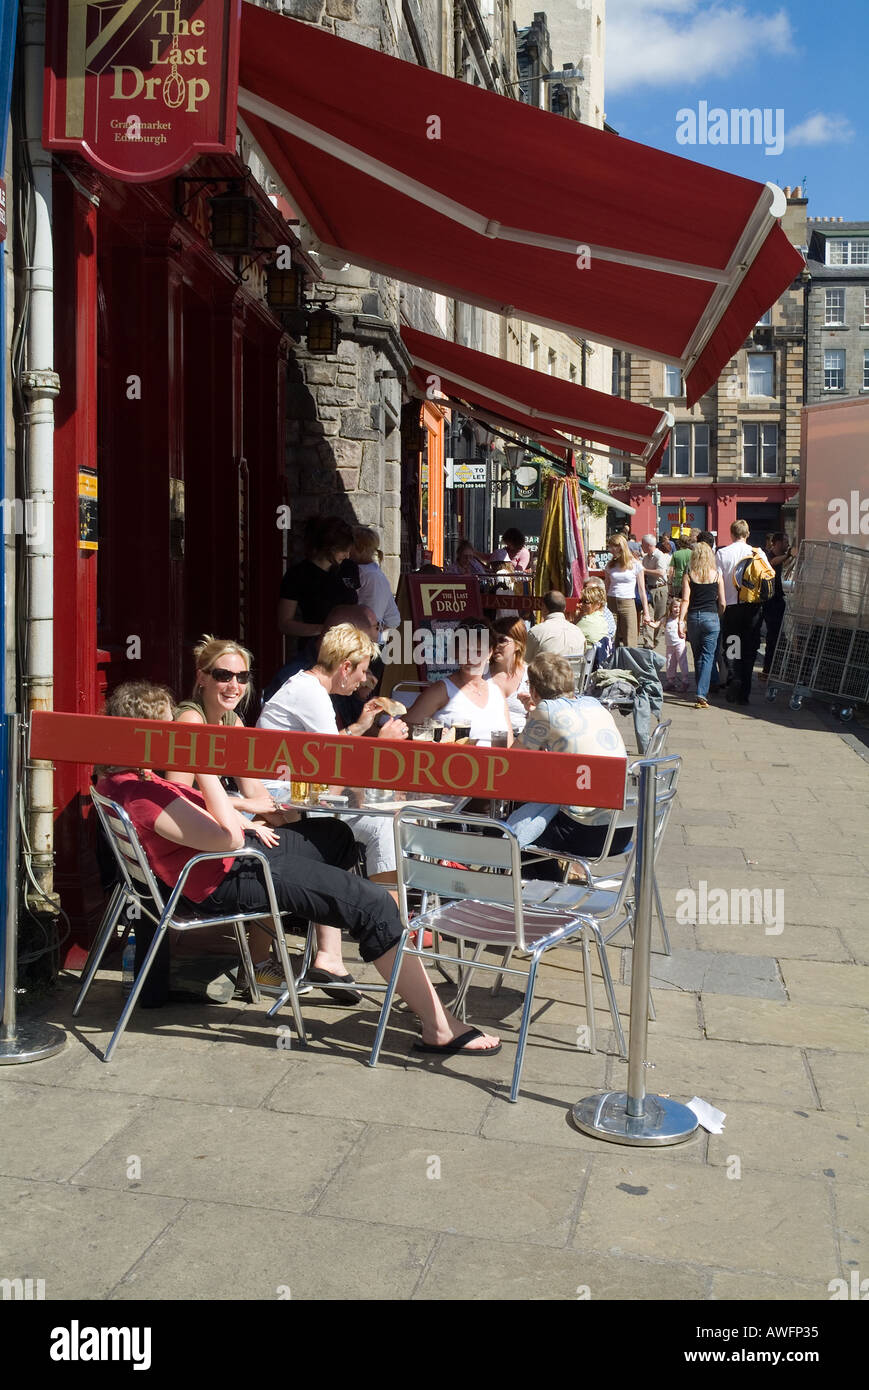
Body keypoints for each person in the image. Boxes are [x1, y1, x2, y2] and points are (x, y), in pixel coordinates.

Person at [97, 682, 500, 1056]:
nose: (175, 738)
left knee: (336, 835)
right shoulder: (143, 795)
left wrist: (244, 819)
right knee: (374, 905)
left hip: (235, 858)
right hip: (228, 875)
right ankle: (439, 1027)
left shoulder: (125, 781)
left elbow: (202, 821)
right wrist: (203, 767)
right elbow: (226, 841)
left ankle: (325, 925)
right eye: (169, 730)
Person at [167, 635, 359, 996]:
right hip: (195, 848)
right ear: (202, 677)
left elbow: (255, 790)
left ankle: (312, 958)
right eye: (223, 675)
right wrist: (242, 811)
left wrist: (279, 813)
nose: (234, 685)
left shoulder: (232, 722)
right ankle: (262, 967)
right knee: (302, 856)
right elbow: (177, 797)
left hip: (221, 834)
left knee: (322, 836)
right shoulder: (191, 720)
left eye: (242, 677)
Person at [258, 624, 408, 885]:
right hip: (286, 802)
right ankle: (389, 917)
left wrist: (359, 727)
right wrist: (382, 744)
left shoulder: (305, 685)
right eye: (362, 671)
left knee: (376, 812)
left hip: (292, 795)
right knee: (384, 826)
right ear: (345, 667)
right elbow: (336, 770)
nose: (364, 679)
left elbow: (330, 754)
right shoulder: (313, 694)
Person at [506, 654, 631, 875]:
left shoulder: (546, 711)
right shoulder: (594, 704)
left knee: (519, 835)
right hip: (621, 830)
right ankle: (557, 887)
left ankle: (545, 900)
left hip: (587, 834)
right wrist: (535, 711)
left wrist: (535, 712)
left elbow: (514, 761)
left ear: (534, 689)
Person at [402, 619, 513, 745]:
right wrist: (433, 733)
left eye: (477, 651)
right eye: (465, 651)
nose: (471, 658)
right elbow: (404, 727)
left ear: (490, 653)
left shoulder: (497, 692)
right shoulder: (441, 690)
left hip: (496, 763)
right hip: (454, 762)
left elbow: (509, 743)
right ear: (455, 652)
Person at [277, 515, 357, 654]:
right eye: (343, 550)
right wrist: (324, 629)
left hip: (350, 647)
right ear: (329, 547)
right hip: (316, 650)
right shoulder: (297, 575)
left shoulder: (349, 568)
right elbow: (285, 623)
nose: (347, 555)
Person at [679, 541, 726, 709]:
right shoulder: (717, 575)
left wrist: (680, 621)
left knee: (698, 656)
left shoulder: (689, 575)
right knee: (708, 656)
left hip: (693, 618)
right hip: (711, 617)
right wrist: (718, 616)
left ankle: (701, 690)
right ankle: (701, 693)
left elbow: (685, 600)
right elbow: (722, 602)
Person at [715, 519, 757, 703]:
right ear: (748, 534)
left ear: (731, 534)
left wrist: (721, 603)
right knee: (749, 649)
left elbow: (719, 580)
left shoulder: (722, 553)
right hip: (753, 607)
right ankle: (745, 691)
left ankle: (734, 678)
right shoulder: (758, 553)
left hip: (731, 606)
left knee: (733, 646)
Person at [350, 527, 400, 636]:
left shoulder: (361, 573)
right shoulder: (378, 574)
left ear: (360, 549)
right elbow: (393, 619)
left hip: (358, 638)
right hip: (373, 639)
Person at [604, 534, 652, 648]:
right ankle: (611, 663)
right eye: (609, 547)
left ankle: (629, 664)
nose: (610, 550)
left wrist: (646, 613)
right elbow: (606, 586)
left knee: (630, 638)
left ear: (620, 547)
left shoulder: (635, 564)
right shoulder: (610, 565)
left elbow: (641, 590)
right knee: (611, 637)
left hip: (628, 602)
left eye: (612, 547)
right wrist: (603, 606)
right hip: (611, 601)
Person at [488, 616, 530, 735]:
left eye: (501, 640)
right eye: (492, 640)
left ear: (518, 644)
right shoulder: (480, 675)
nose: (495, 645)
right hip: (487, 742)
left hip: (521, 742)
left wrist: (534, 709)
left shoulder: (531, 676)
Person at [760, 532, 792, 681]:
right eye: (785, 542)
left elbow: (782, 565)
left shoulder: (780, 557)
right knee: (773, 638)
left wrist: (791, 557)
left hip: (778, 600)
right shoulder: (767, 556)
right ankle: (767, 670)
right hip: (770, 602)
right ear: (777, 543)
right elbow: (772, 563)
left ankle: (777, 668)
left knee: (780, 637)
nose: (787, 544)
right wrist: (788, 555)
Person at [525, 590, 586, 661]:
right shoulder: (579, 633)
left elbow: (526, 662)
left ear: (544, 608)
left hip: (546, 671)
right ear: (565, 609)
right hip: (572, 671)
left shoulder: (536, 632)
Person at [640, 533, 669, 648]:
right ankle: (648, 642)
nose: (641, 546)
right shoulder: (646, 557)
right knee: (648, 614)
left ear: (648, 545)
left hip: (660, 589)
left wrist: (644, 570)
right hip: (649, 589)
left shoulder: (659, 556)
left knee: (659, 616)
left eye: (642, 544)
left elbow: (661, 572)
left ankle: (655, 641)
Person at [663, 599, 690, 694]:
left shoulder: (682, 620)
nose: (677, 609)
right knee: (670, 663)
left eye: (679, 607)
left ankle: (685, 681)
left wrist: (685, 632)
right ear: (670, 607)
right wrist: (650, 623)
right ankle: (670, 681)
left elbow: (686, 629)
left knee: (682, 662)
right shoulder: (667, 618)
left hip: (679, 644)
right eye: (675, 606)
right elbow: (657, 624)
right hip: (669, 645)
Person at [668, 528, 696, 597]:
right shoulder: (693, 553)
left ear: (680, 543)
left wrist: (670, 583)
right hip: (691, 581)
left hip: (678, 582)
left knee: (678, 602)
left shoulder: (676, 554)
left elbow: (671, 570)